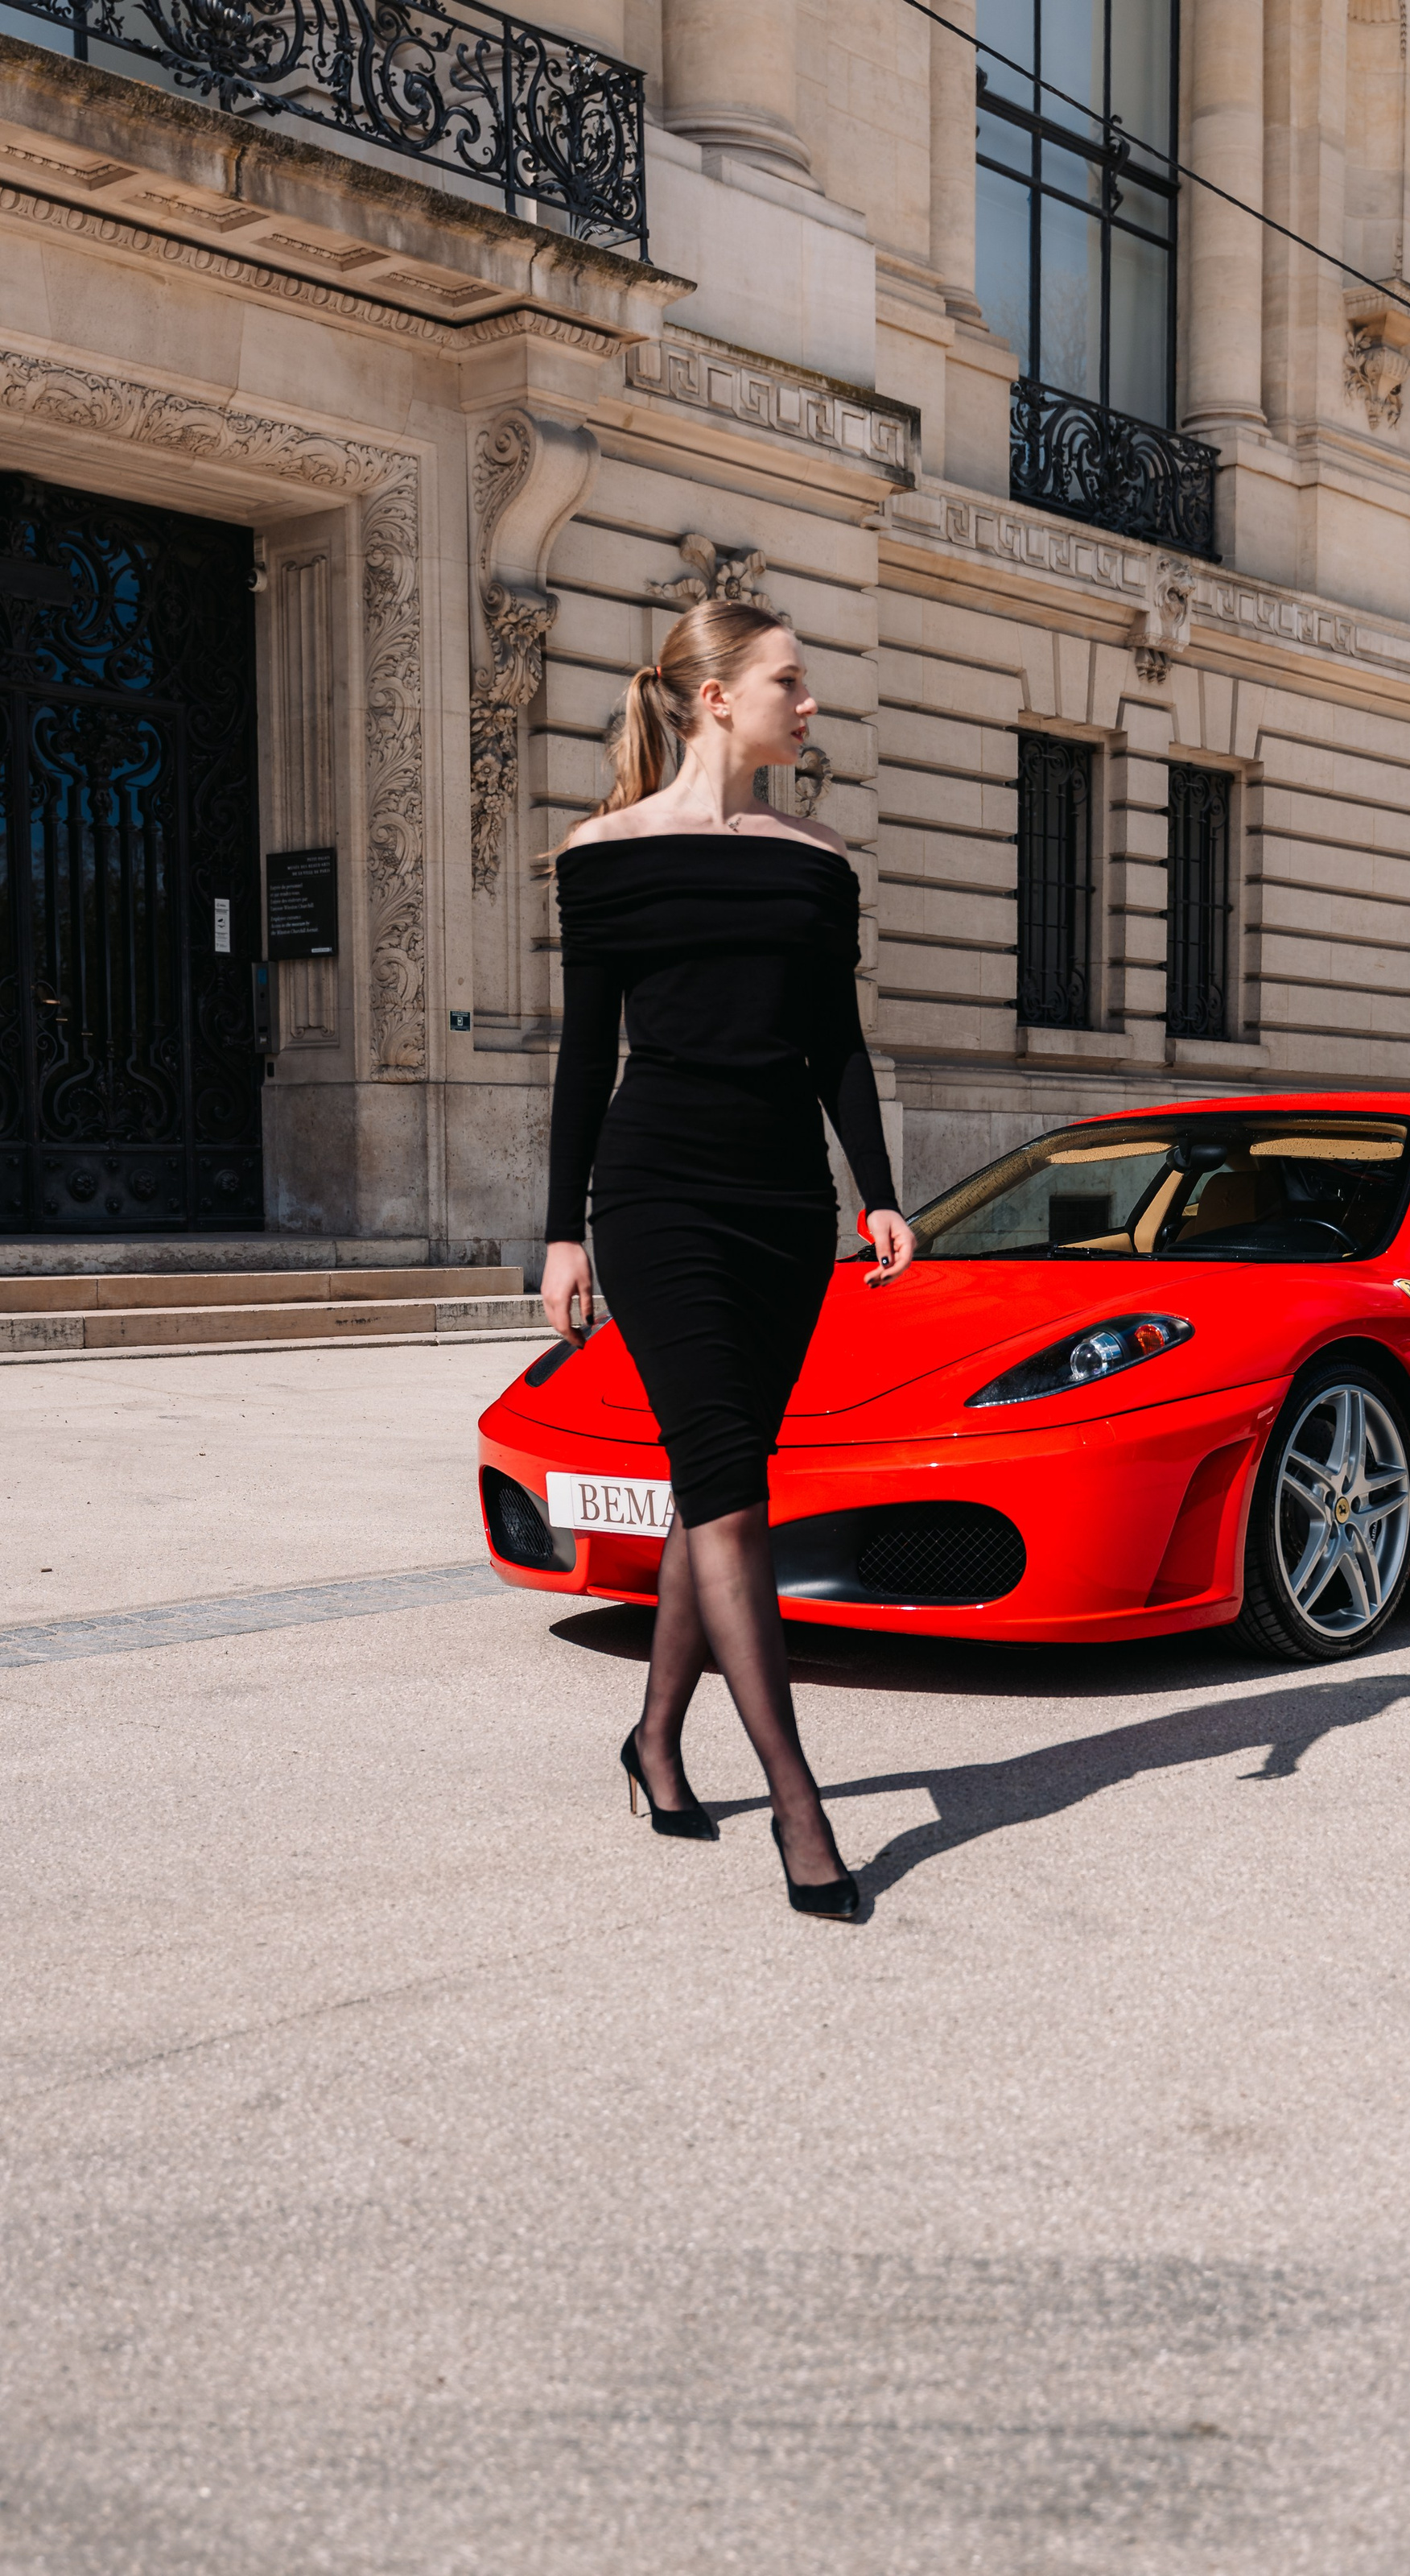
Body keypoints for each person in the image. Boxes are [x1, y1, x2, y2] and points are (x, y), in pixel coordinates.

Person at [540, 601, 915, 1922]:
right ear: (715, 698)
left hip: (779, 1206)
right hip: (655, 1198)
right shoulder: (603, 856)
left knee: (724, 1496)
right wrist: (561, 1229)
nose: (810, 706)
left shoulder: (816, 862)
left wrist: (877, 1196)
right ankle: (801, 1810)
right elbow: (588, 1057)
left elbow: (839, 1051)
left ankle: (653, 1741)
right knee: (727, 1489)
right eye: (790, 683)